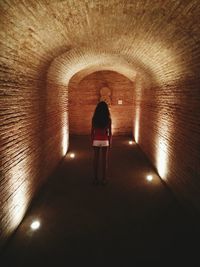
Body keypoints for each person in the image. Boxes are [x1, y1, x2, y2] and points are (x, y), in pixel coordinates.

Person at [91, 101, 112, 185]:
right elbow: (110, 133)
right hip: (105, 140)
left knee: (95, 160)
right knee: (104, 161)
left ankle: (95, 178)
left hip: (96, 140)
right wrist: (110, 143)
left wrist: (92, 142)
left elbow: (92, 132)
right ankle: (104, 179)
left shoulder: (94, 119)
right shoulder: (108, 119)